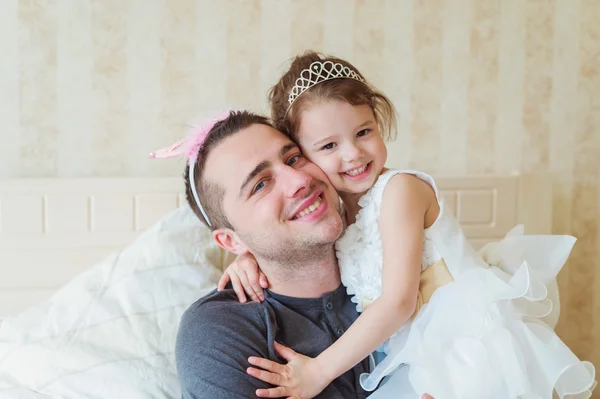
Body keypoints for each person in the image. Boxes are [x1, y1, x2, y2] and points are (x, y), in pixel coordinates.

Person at [220, 51, 597, 399]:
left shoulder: (401, 191)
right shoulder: (335, 218)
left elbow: (399, 302)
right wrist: (249, 257)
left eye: (363, 132)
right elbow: (293, 248)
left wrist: (319, 371)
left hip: (466, 350)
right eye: (329, 146)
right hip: (412, 359)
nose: (353, 153)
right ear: (302, 157)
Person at [154, 111, 436, 398]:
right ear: (231, 240)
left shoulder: (394, 261)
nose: (299, 180)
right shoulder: (219, 332)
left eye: (293, 159)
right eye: (260, 184)